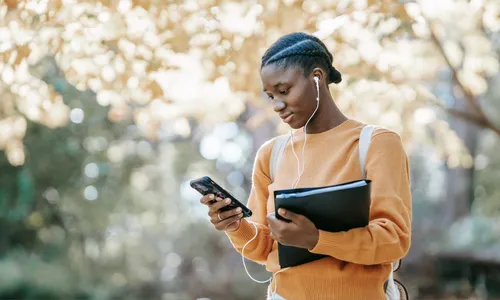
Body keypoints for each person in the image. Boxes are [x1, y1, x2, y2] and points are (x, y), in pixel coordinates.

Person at [199, 32, 412, 300]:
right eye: (270, 96)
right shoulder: (271, 154)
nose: (277, 105)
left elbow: (394, 240)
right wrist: (235, 226)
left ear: (317, 77)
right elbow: (263, 247)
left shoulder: (376, 144)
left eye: (284, 91)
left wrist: (315, 239)